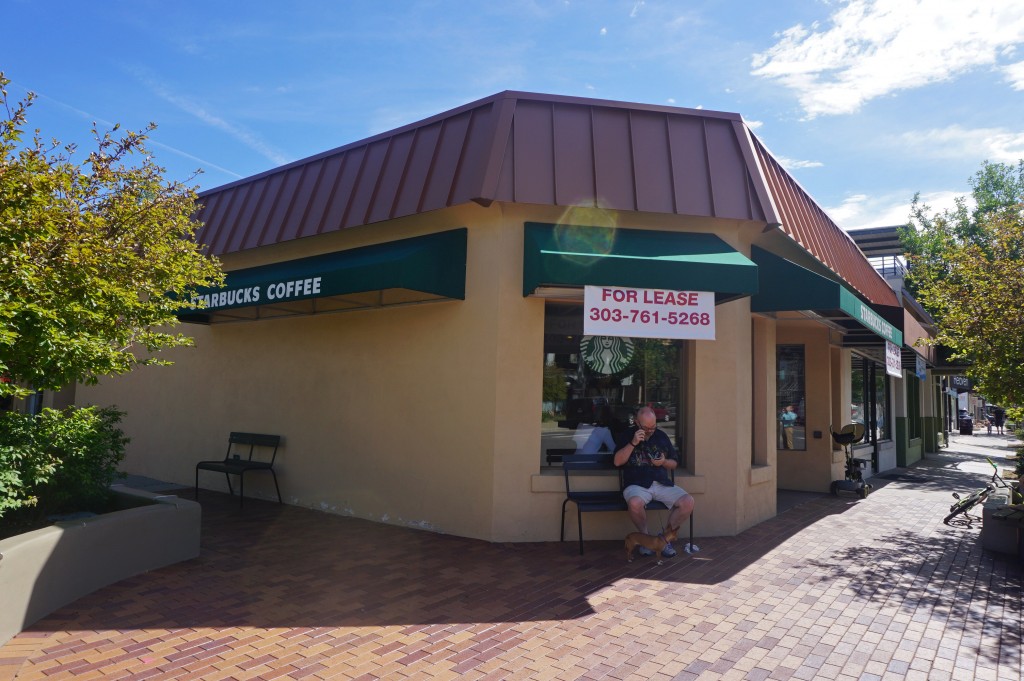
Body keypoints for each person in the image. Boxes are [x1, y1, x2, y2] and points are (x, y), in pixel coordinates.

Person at [613, 406, 694, 558]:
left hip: (661, 483)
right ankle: (646, 540)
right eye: (646, 427)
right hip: (637, 484)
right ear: (637, 422)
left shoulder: (661, 436)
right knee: (634, 503)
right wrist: (633, 443)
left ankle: (664, 540)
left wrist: (663, 462)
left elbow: (674, 463)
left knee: (688, 502)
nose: (651, 430)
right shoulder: (627, 435)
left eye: (653, 426)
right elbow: (617, 462)